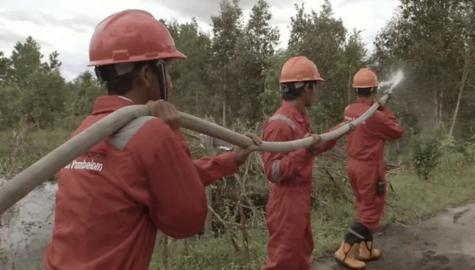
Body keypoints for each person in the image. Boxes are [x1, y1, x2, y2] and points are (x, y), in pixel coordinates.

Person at [44, 10, 259, 270]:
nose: (171, 82)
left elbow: (160, 176)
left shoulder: (84, 131)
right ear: (147, 75)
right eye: (167, 72)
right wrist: (173, 132)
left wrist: (230, 160)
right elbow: (187, 220)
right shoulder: (151, 133)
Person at [261, 56, 337, 270]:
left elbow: (311, 148)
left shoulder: (299, 118)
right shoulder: (279, 124)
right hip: (286, 204)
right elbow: (273, 171)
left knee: (302, 256)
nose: (316, 92)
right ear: (305, 88)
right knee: (284, 262)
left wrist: (339, 131)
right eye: (315, 86)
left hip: (300, 201)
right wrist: (305, 150)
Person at [334, 68, 404, 269]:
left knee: (364, 205)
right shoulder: (375, 116)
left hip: (354, 166)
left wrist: (376, 108)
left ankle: (365, 249)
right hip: (369, 169)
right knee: (371, 210)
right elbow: (397, 131)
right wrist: (382, 109)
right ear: (374, 88)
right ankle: (345, 251)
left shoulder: (349, 110)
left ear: (356, 90)